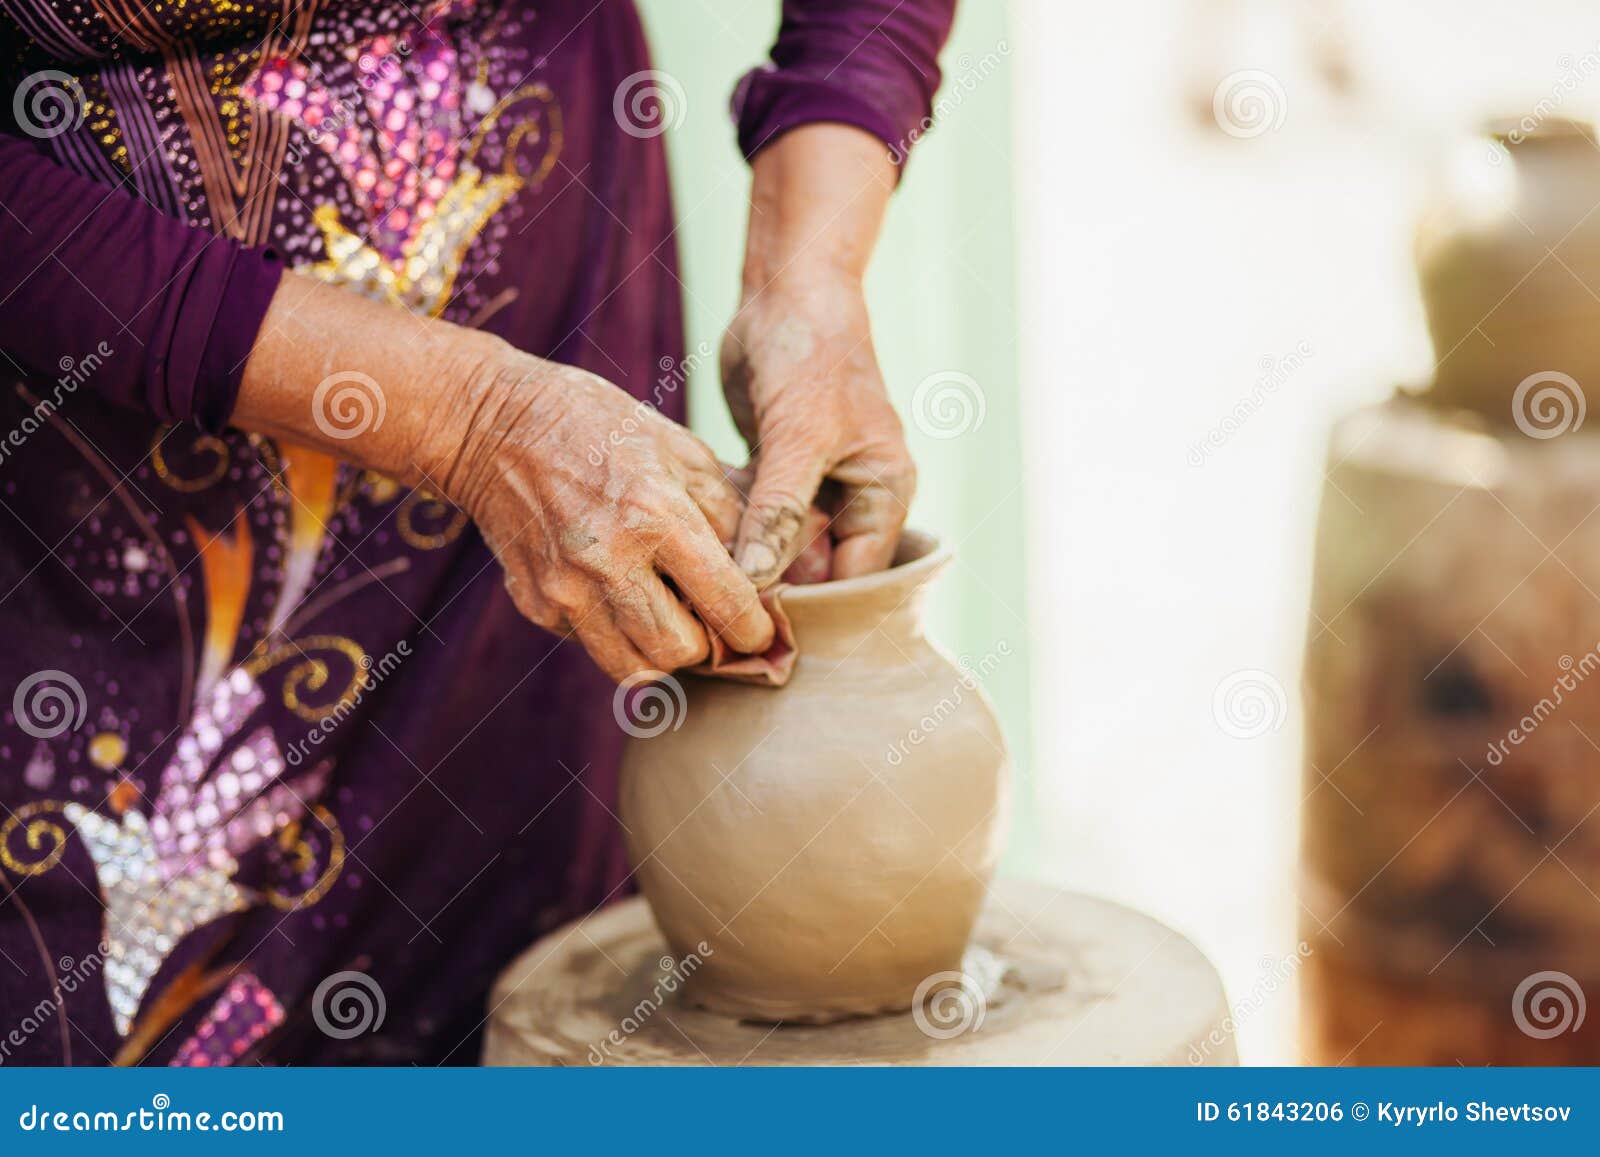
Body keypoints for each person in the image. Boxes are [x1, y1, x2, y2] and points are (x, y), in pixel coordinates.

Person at [0, 0, 952, 1064]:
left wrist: (808, 272)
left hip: (554, 412)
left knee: (535, 990)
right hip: (105, 516)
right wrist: (470, 420)